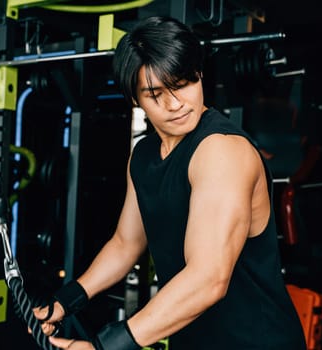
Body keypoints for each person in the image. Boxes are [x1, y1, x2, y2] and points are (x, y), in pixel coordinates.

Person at [32, 16, 307, 349]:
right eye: (155, 93)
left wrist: (107, 346)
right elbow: (125, 243)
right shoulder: (145, 154)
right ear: (135, 98)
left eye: (183, 83)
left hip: (257, 341)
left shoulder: (221, 150)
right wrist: (66, 301)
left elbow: (209, 278)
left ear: (199, 75)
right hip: (194, 339)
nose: (175, 104)